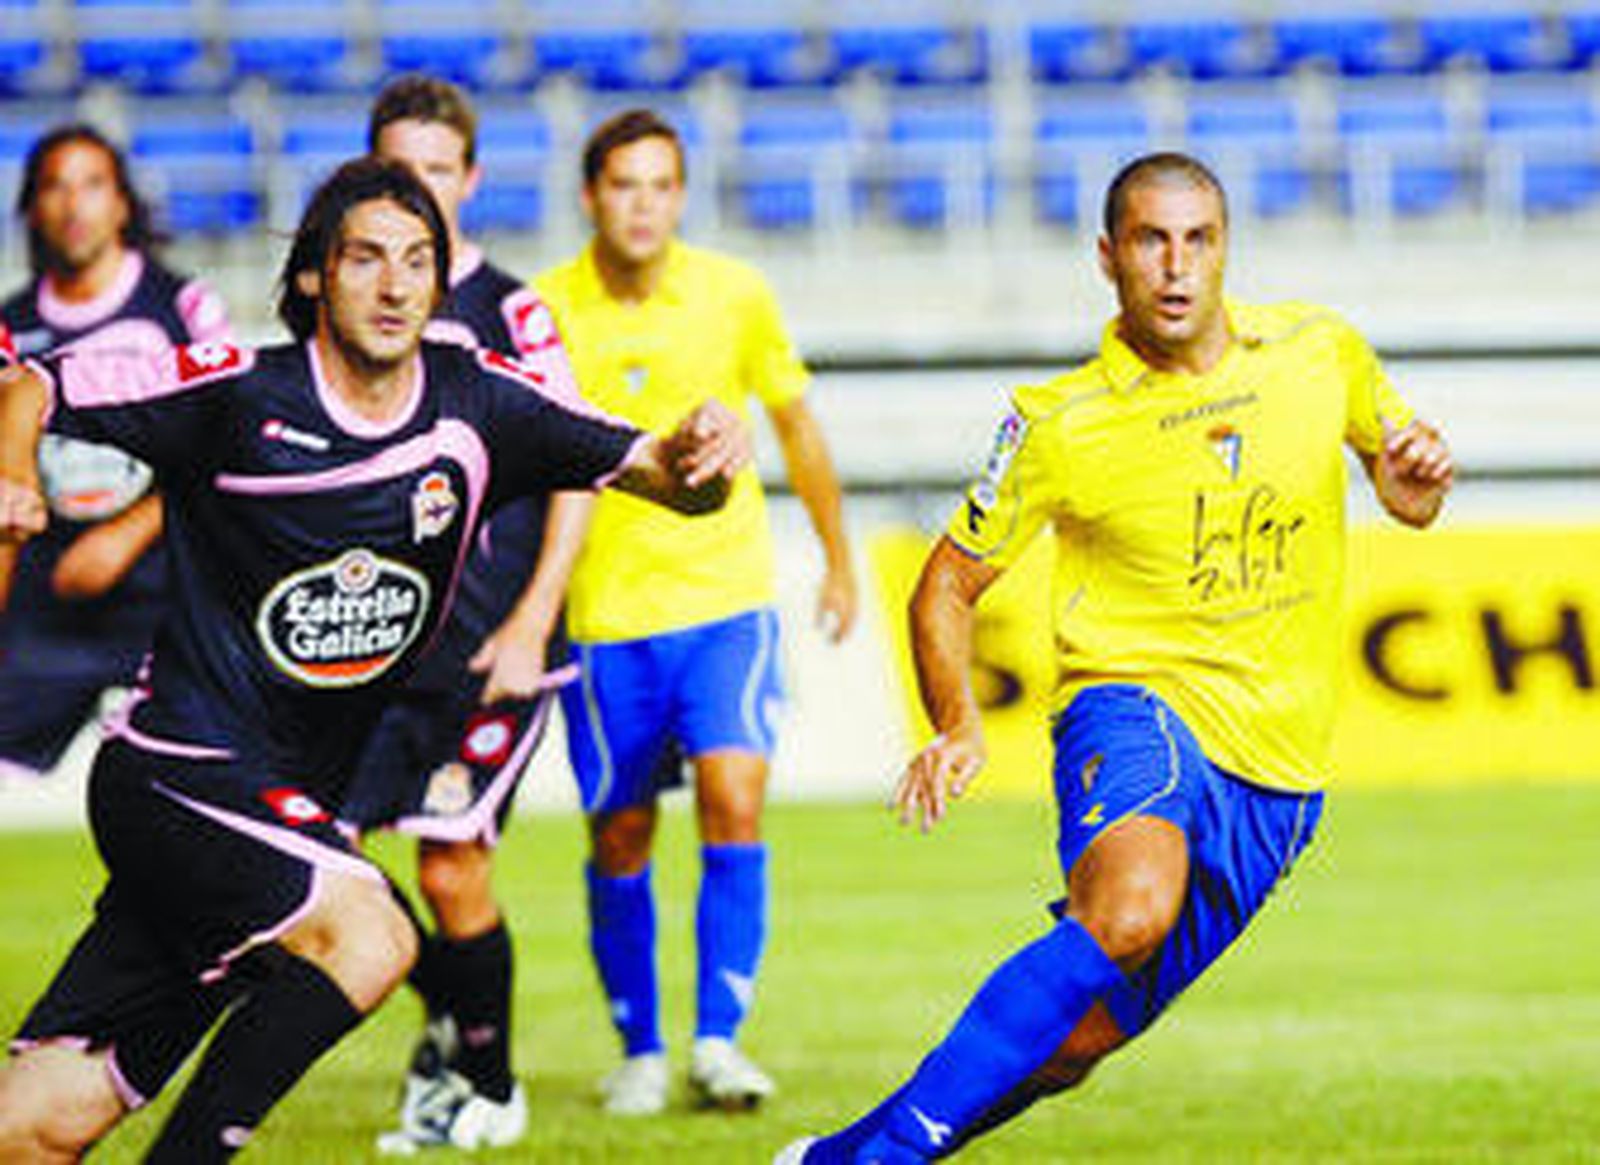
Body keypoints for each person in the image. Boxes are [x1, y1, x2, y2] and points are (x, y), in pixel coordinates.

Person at [0, 156, 748, 1163]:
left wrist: (706, 451)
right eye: (365, 259)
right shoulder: (234, 392)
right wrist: (11, 469)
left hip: (275, 810)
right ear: (314, 275)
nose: (395, 286)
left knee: (40, 1125)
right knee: (373, 932)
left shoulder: (480, 401)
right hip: (178, 773)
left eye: (417, 261)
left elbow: (660, 473)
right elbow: (32, 379)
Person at [777, 152, 1455, 1163]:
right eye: (1150, 240)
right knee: (1130, 909)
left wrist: (1415, 481)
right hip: (1134, 707)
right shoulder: (1057, 421)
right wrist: (955, 723)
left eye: (1197, 240)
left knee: (1068, 1045)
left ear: (1226, 249)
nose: (1176, 266)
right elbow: (945, 583)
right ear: (1107, 256)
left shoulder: (1321, 349)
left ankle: (835, 1157)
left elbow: (1408, 494)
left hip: (1280, 772)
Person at [535, 108, 858, 1115]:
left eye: (660, 184)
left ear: (681, 195)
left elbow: (796, 424)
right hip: (606, 615)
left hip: (726, 599)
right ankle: (639, 1046)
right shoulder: (543, 312)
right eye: (623, 184)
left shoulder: (735, 294)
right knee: (621, 835)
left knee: (733, 797)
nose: (643, 204)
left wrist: (839, 560)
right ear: (590, 195)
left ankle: (719, 1041)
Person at [338, 74, 593, 1154]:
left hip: (492, 646)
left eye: (440, 172)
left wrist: (535, 616)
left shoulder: (512, 313)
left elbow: (579, 470)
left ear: (472, 180)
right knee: (319, 862)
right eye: (402, 172)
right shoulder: (338, 304)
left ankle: (487, 1081)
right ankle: (449, 1021)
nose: (423, 193)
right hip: (364, 653)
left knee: (450, 863)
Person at [0, 123, 232, 781]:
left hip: (166, 602)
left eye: (93, 185)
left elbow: (221, 446)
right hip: (48, 606)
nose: (75, 206)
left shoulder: (183, 309)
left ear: (123, 203)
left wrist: (126, 533)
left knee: (190, 799)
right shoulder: (11, 328)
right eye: (55, 187)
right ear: (31, 207)